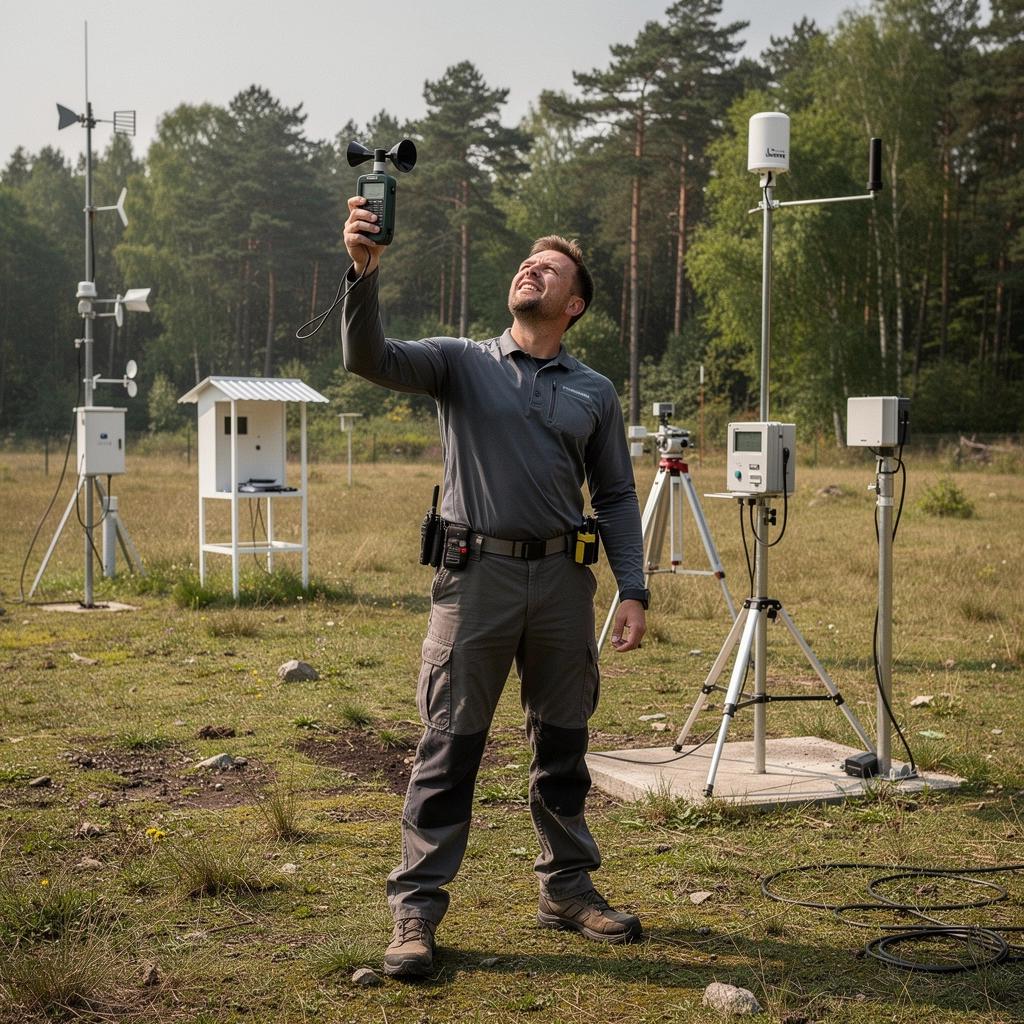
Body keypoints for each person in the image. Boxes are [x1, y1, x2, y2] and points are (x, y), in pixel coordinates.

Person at [341, 195, 649, 978]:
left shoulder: (595, 392)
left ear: (572, 304)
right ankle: (414, 914)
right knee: (449, 748)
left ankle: (568, 890)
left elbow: (613, 495)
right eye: (526, 262)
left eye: (547, 268)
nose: (529, 269)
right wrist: (362, 274)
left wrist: (634, 588)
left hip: (562, 586)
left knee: (564, 747)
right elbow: (368, 359)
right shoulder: (460, 361)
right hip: (473, 579)